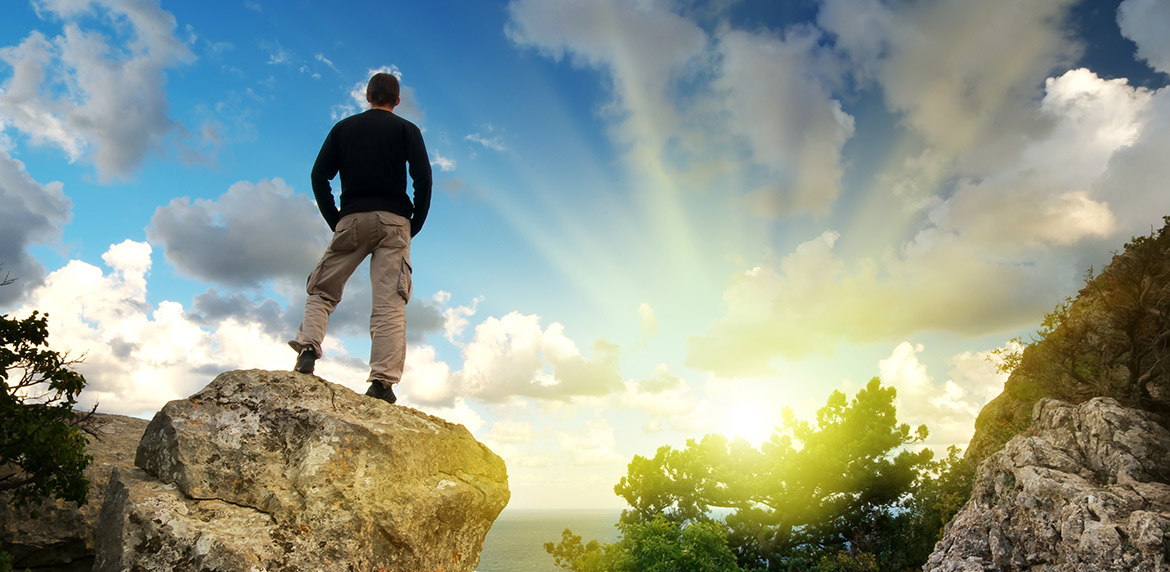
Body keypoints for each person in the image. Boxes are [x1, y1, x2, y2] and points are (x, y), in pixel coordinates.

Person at [289, 72, 432, 405]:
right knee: (389, 304)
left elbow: (318, 175)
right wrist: (415, 223)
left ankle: (308, 350)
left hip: (352, 217)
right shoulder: (407, 129)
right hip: (395, 222)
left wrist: (335, 219)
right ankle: (382, 383)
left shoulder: (344, 128)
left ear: (367, 96)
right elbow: (423, 178)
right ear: (397, 101)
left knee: (323, 288)